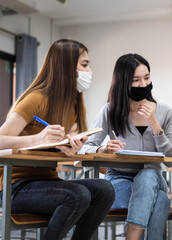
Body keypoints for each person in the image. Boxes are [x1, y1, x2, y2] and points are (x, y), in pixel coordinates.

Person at [0, 39, 115, 240]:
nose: (89, 71)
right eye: (85, 65)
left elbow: (66, 150)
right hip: (15, 187)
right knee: (77, 195)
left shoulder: (74, 105)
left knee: (104, 189)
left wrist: (74, 151)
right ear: (65, 67)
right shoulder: (36, 99)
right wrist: (36, 138)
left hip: (47, 182)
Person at [78, 53, 172, 240]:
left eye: (147, 78)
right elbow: (84, 147)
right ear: (123, 83)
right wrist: (102, 149)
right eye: (136, 80)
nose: (143, 85)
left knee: (147, 175)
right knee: (162, 200)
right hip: (119, 179)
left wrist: (155, 125)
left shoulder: (165, 111)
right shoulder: (110, 110)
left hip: (154, 178)